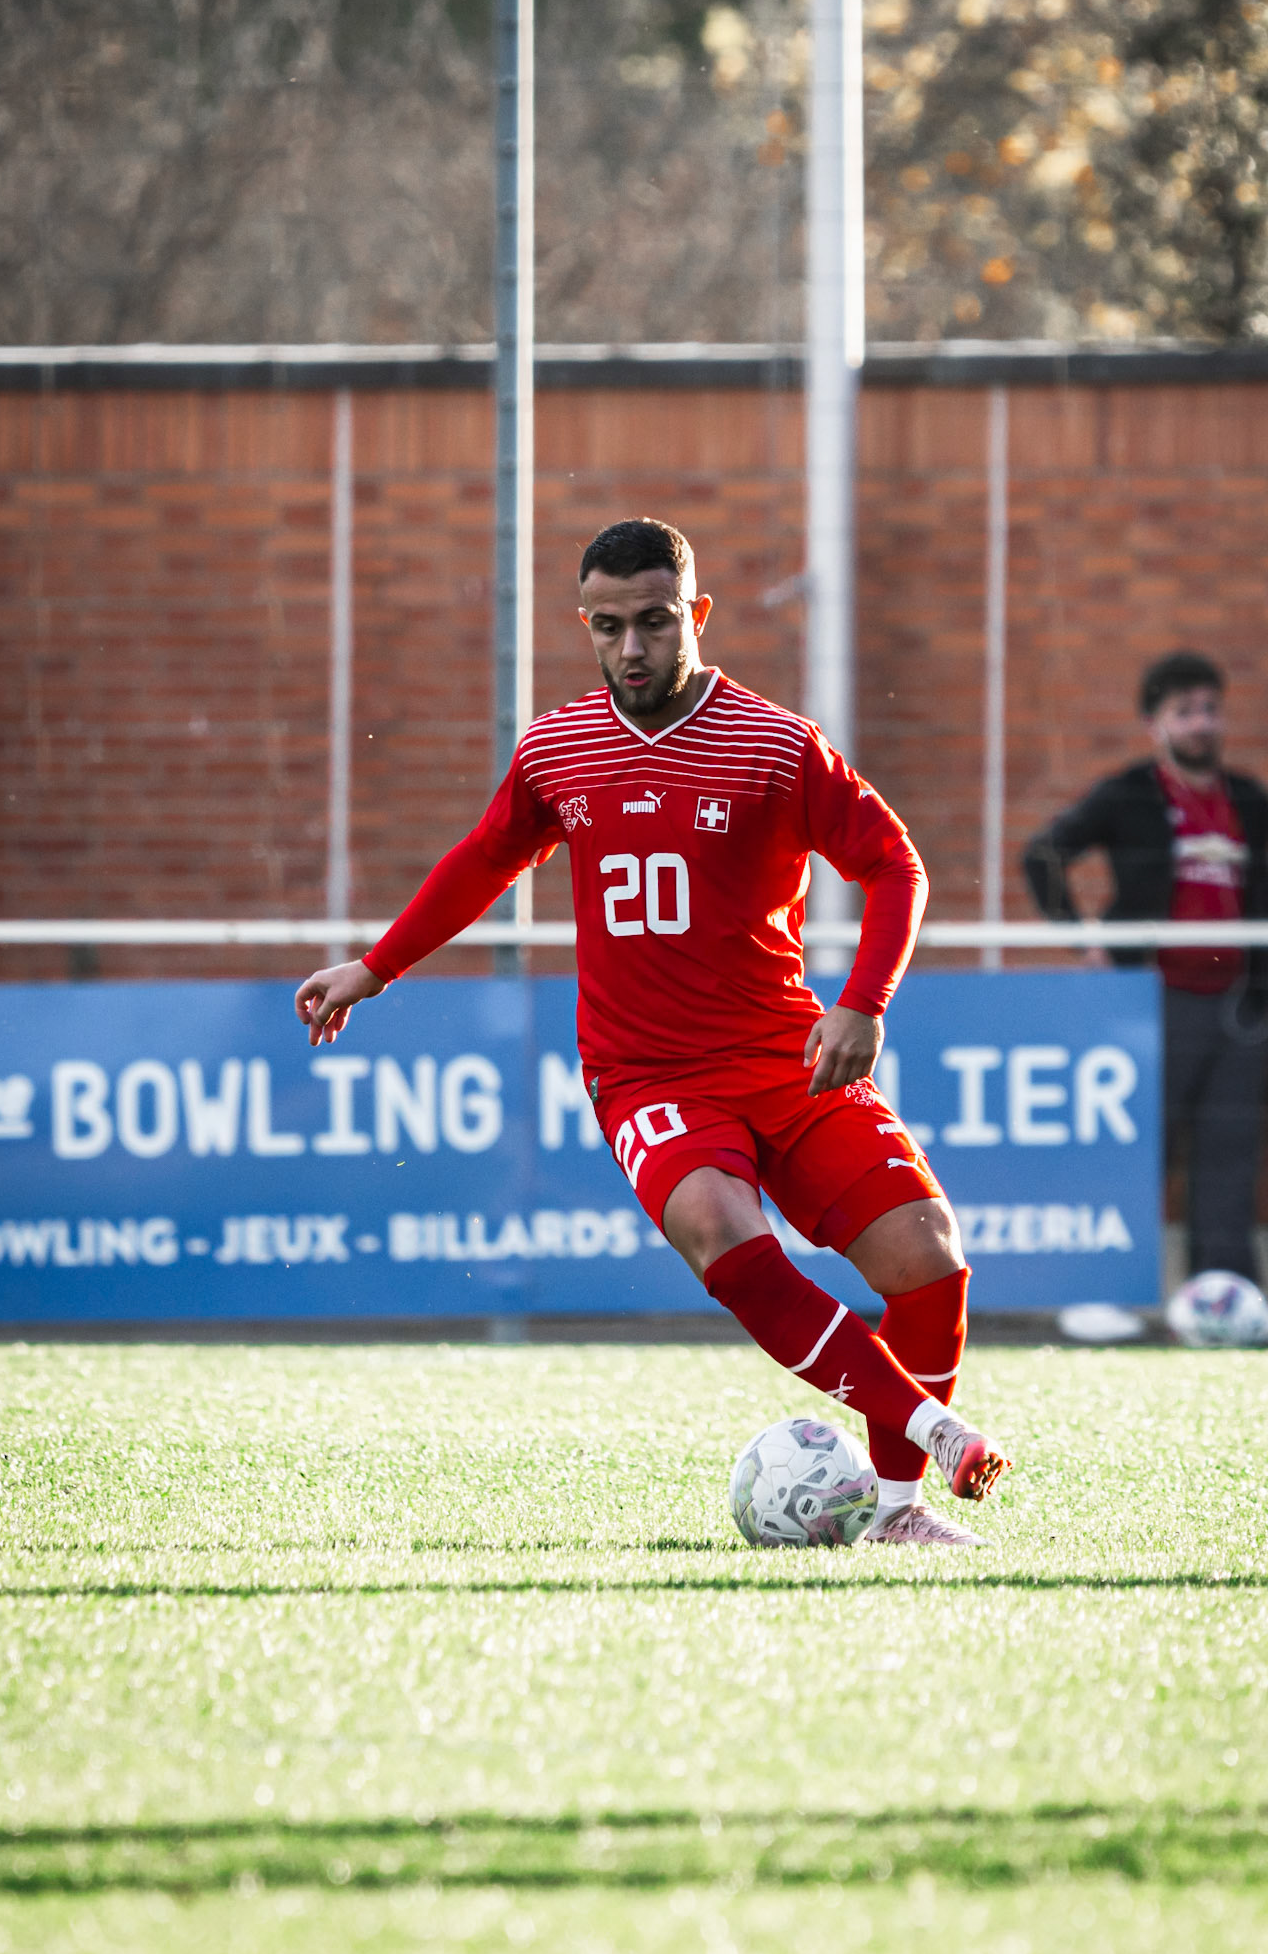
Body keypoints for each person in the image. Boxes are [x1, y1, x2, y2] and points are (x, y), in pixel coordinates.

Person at [296, 517, 1010, 1547]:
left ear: (697, 614)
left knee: (928, 1256)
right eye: (608, 626)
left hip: (785, 1053)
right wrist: (374, 967)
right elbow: (487, 857)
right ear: (584, 624)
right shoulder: (556, 746)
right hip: (647, 1073)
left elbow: (894, 864)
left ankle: (898, 1511)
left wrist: (863, 1002)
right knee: (720, 1226)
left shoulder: (776, 745)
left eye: (655, 621)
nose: (631, 647)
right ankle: (935, 1430)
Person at [1022, 650, 1268, 1286]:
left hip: (1238, 1001)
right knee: (1137, 1147)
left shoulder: (1249, 799)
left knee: (1231, 1153)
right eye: (1184, 712)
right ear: (1154, 724)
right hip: (1152, 999)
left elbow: (1267, 894)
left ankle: (1224, 1293)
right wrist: (1084, 939)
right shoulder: (1129, 793)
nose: (1201, 723)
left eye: (1210, 710)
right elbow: (1042, 855)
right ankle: (1106, 1291)